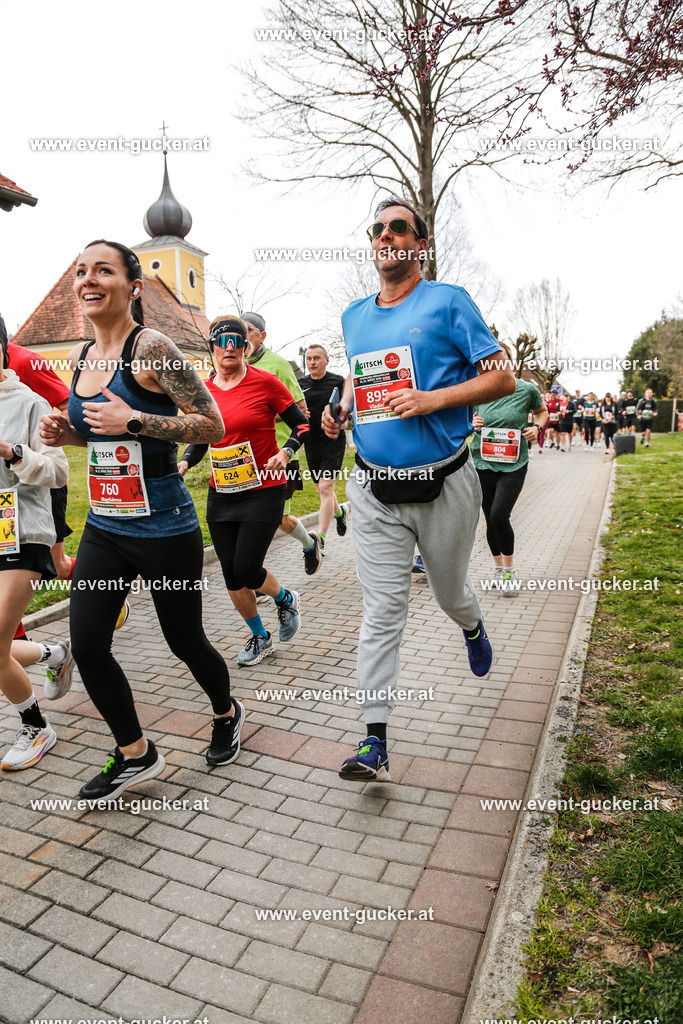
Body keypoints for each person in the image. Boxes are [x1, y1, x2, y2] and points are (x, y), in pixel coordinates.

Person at [40, 239, 242, 801]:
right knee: (88, 641)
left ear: (132, 286)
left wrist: (134, 420)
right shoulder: (81, 356)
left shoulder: (150, 347)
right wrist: (69, 434)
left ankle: (226, 711)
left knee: (184, 641)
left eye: (102, 270)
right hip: (106, 523)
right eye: (81, 271)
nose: (88, 280)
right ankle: (136, 753)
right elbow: (97, 431)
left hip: (164, 524)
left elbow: (212, 425)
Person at [321, 196, 515, 782]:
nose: (385, 236)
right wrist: (340, 407)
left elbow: (502, 376)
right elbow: (360, 372)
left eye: (398, 228)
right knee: (382, 611)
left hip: (446, 482)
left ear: (419, 243)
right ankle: (373, 740)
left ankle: (473, 625)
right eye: (376, 229)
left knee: (448, 591)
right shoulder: (355, 314)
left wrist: (431, 399)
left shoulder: (448, 302)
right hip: (374, 487)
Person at [180, 316, 310, 667]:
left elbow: (301, 423)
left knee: (247, 567)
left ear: (246, 347)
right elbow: (201, 438)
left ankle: (285, 599)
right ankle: (260, 636)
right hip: (222, 491)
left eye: (238, 341)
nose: (230, 347)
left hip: (263, 489)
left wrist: (285, 452)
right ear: (212, 348)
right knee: (230, 574)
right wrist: (185, 463)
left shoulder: (265, 383)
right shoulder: (202, 392)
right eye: (223, 341)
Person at [0, 318, 69, 770]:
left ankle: (36, 727)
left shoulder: (28, 402)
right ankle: (54, 652)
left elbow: (59, 472)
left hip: (19, 527)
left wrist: (13, 454)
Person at [242, 313, 322, 578]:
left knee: (276, 519)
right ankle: (254, 573)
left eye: (248, 330)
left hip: (278, 454)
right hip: (242, 457)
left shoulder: (276, 365)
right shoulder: (232, 367)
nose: (243, 336)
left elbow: (301, 410)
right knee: (249, 518)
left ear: (262, 336)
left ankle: (308, 545)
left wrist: (260, 415)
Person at [471, 345, 547, 595]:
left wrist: (537, 428)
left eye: (497, 359)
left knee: (499, 516)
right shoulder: (476, 387)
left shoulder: (525, 389)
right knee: (489, 518)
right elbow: (461, 417)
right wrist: (470, 422)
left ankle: (509, 570)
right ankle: (497, 568)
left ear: (507, 361)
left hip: (514, 463)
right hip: (482, 461)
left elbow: (542, 412)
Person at [298, 343, 349, 552]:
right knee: (321, 489)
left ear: (326, 360)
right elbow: (292, 409)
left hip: (333, 441)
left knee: (326, 488)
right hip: (311, 443)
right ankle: (340, 513)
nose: (312, 362)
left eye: (317, 358)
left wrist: (344, 421)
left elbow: (349, 412)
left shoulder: (338, 382)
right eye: (309, 358)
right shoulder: (299, 384)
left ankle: (320, 537)